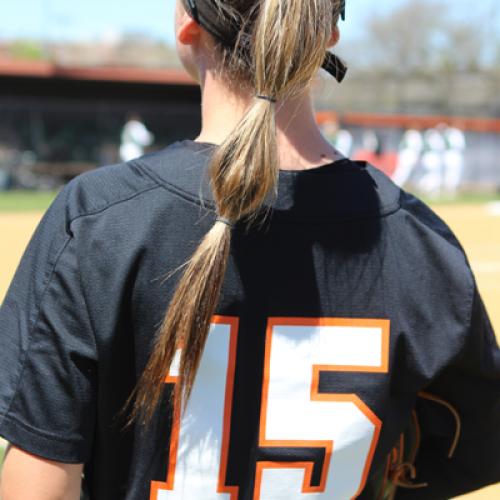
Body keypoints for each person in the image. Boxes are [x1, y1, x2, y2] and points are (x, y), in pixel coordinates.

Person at [0, 1, 499, 499]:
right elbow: (464, 448)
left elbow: (37, 487)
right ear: (327, 33)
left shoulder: (97, 220)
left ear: (185, 22)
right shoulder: (420, 244)